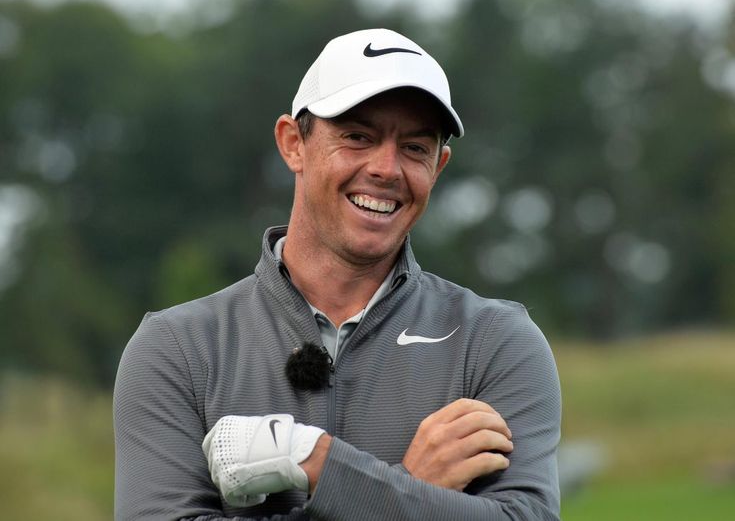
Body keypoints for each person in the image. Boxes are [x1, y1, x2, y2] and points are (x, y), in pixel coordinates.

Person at [114, 28, 561, 520]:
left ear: (439, 166)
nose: (386, 168)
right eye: (357, 137)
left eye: (415, 147)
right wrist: (407, 488)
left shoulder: (494, 341)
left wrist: (316, 462)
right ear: (293, 144)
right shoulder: (178, 350)